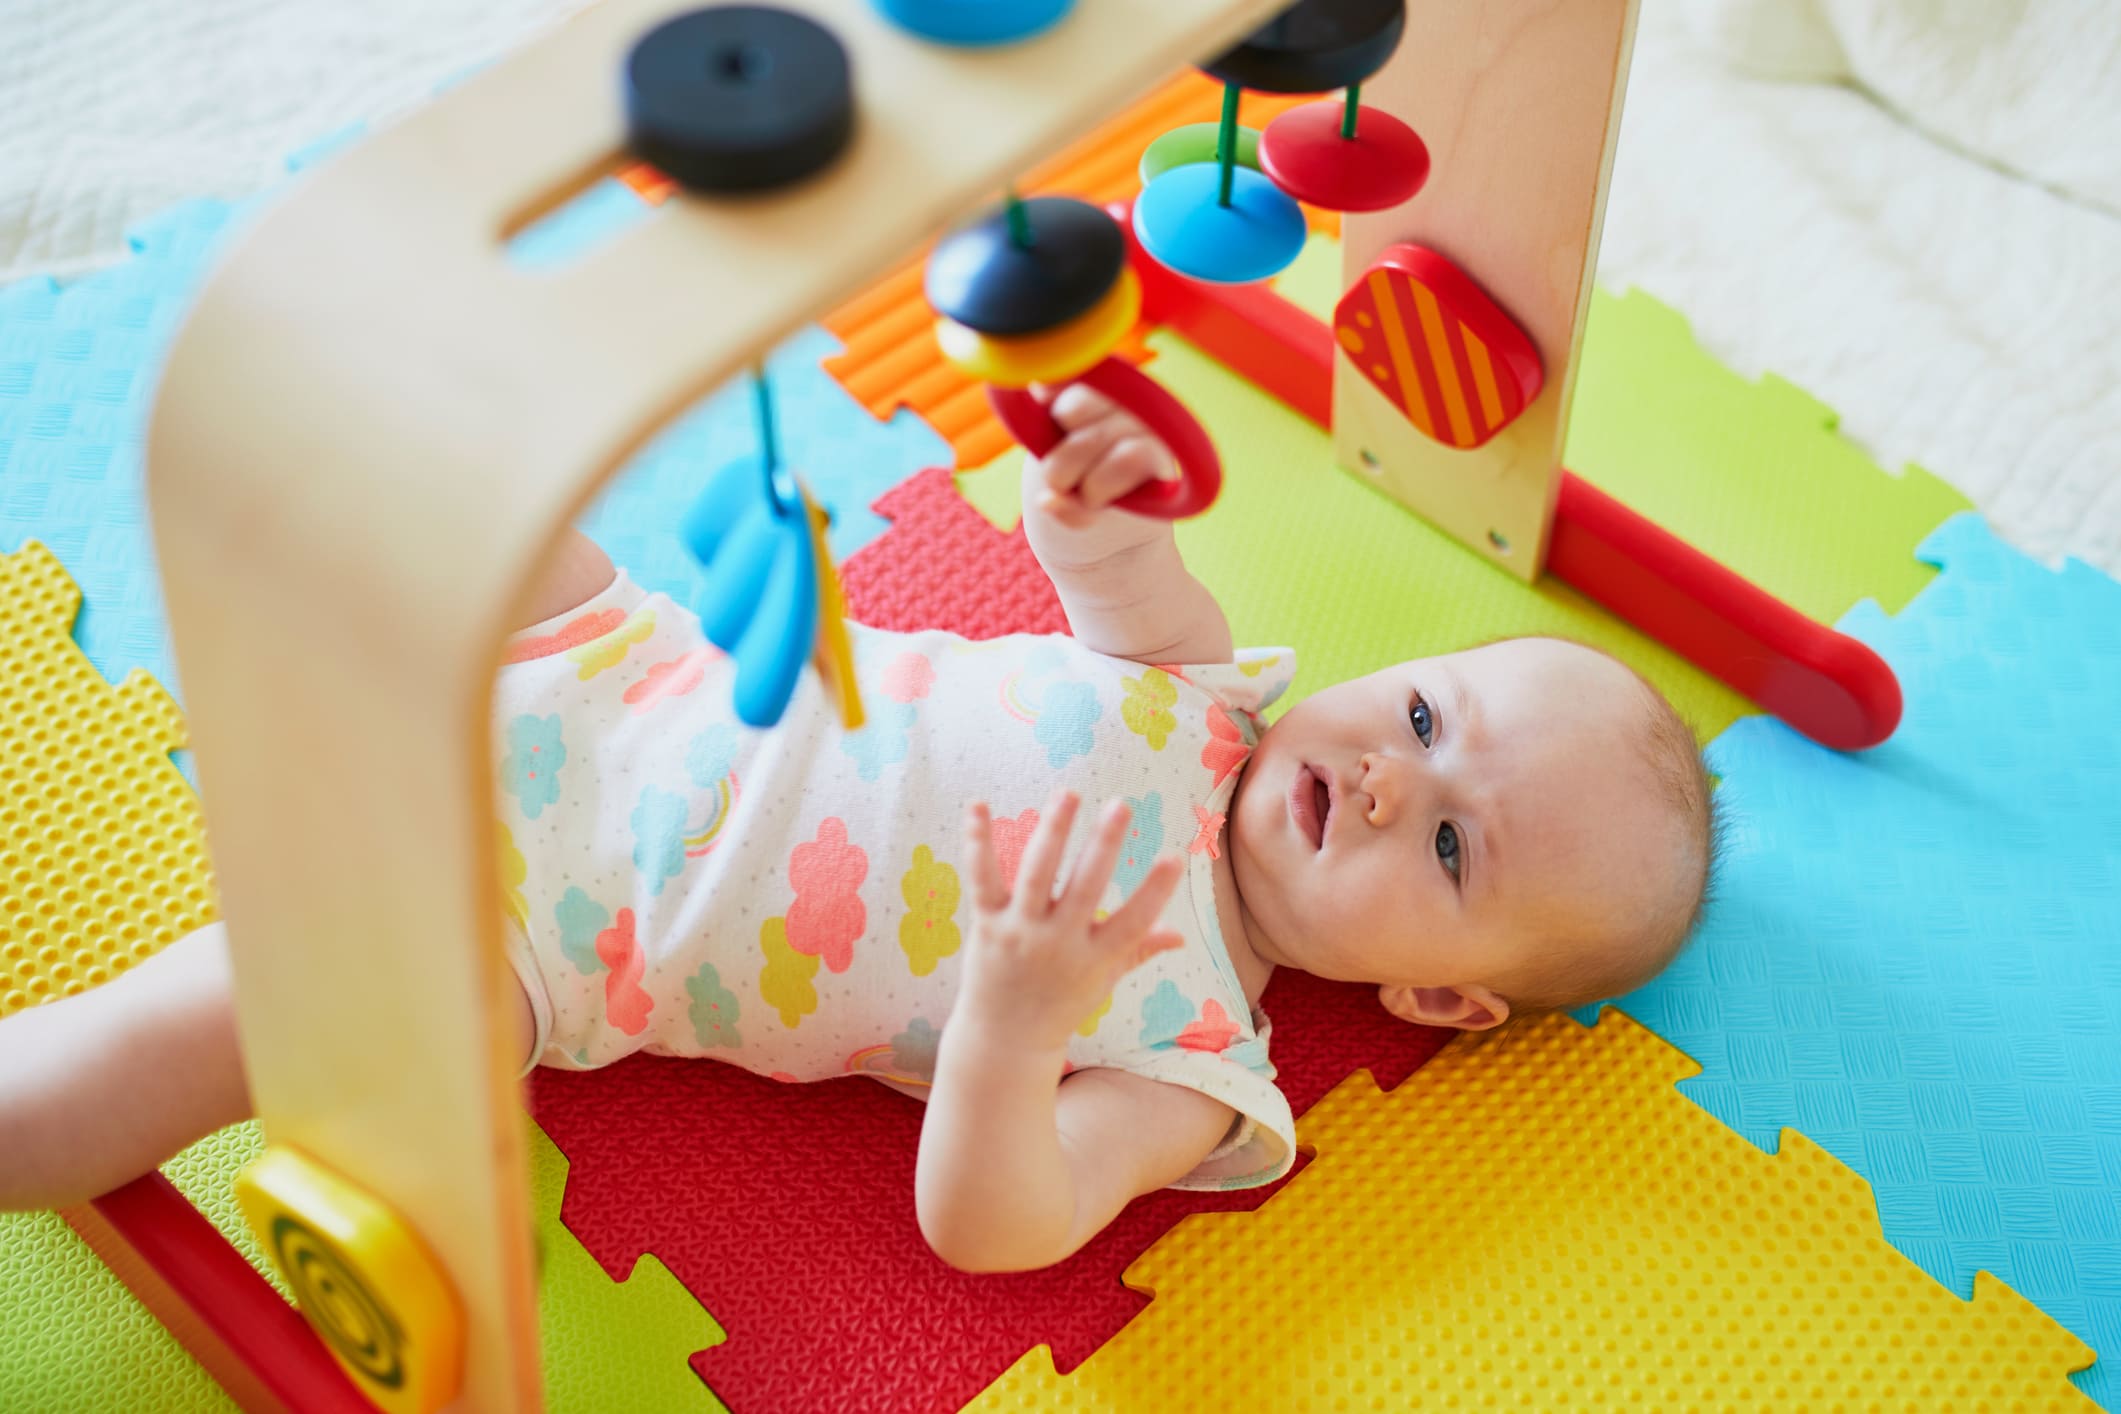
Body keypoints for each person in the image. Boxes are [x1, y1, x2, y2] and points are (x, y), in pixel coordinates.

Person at [0, 386, 1715, 1272]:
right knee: (437, 459)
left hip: (542, 933)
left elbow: (993, 1226)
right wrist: (1081, 503)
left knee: (129, 1071)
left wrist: (1018, 1017)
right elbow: (1107, 574)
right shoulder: (1205, 688)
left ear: (1439, 998)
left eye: (1449, 854)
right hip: (610, 670)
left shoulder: (1194, 1064)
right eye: (1424, 715)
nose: (1399, 780)